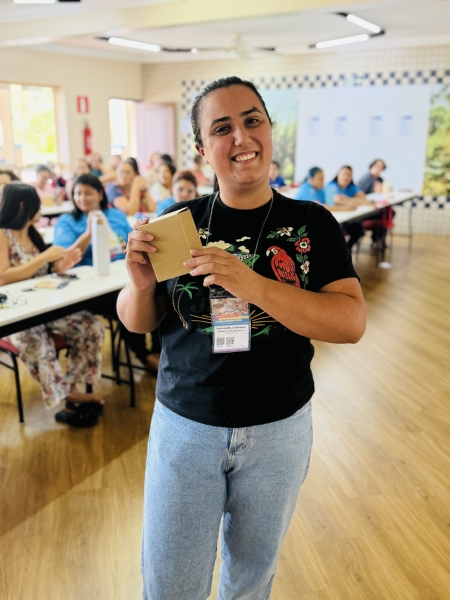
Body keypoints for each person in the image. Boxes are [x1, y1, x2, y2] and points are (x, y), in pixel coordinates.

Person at [117, 76, 365, 600]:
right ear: (202, 148)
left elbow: (350, 322)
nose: (241, 137)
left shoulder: (312, 223)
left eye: (253, 120)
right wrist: (138, 285)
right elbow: (138, 321)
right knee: (170, 581)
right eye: (221, 128)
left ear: (269, 130)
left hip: (279, 428)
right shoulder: (176, 225)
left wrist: (252, 284)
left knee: (251, 578)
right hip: (186, 426)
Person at [0, 183, 105, 414]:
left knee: (91, 326)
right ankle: (67, 393)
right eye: (37, 203)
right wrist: (43, 258)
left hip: (43, 307)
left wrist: (59, 267)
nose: (41, 208)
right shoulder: (2, 234)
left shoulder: (32, 234)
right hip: (16, 316)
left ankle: (73, 385)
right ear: (23, 205)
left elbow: (43, 273)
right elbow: (3, 278)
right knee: (36, 341)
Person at [54, 174, 160, 373]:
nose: (82, 198)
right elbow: (65, 259)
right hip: (91, 287)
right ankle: (144, 355)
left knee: (156, 293)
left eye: (88, 193)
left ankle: (158, 350)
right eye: (78, 193)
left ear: (100, 194)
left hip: (121, 275)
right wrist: (88, 232)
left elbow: (130, 242)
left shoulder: (115, 215)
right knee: (130, 303)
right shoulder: (67, 221)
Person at [325, 166, 372, 250]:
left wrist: (347, 199)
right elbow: (332, 203)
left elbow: (364, 199)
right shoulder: (331, 187)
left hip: (347, 218)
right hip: (333, 219)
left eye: (349, 175)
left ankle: (348, 250)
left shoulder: (351, 187)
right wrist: (351, 202)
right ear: (338, 175)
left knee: (359, 228)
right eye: (344, 174)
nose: (346, 177)